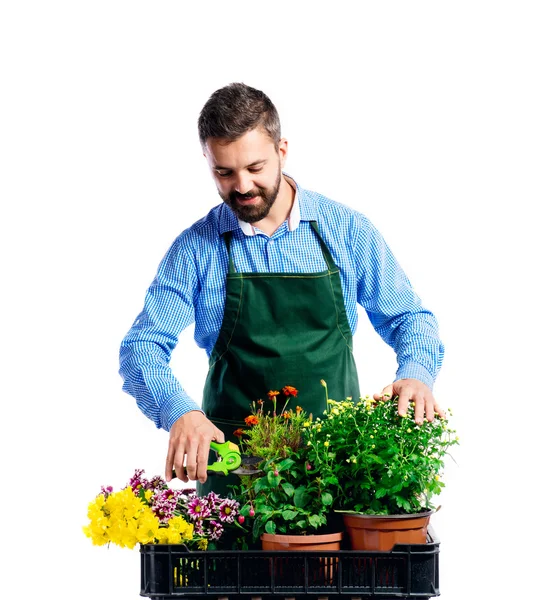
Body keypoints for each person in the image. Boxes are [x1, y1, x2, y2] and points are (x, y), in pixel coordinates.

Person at [119, 82, 445, 495]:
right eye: (224, 172)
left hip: (336, 469)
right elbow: (141, 345)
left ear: (282, 150)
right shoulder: (196, 249)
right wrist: (179, 411)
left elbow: (408, 318)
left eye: (255, 168)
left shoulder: (346, 231)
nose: (241, 186)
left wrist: (416, 375)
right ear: (207, 161)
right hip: (235, 475)